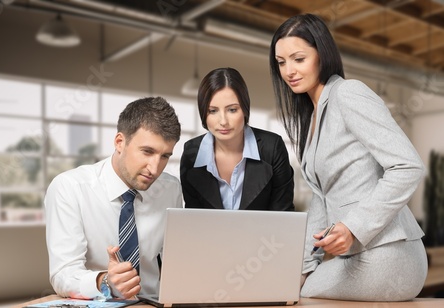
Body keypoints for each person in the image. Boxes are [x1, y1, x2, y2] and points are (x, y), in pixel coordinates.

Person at [269, 14, 427, 301]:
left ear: (322, 55)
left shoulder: (348, 94)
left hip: (390, 255)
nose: (289, 70)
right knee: (290, 286)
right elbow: (321, 198)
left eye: (298, 59)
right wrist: (304, 267)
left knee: (296, 294)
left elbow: (408, 166)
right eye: (281, 62)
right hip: (357, 258)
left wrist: (354, 227)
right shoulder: (313, 116)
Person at [45, 97, 182, 300]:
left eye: (165, 156)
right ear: (120, 142)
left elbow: (177, 262)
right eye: (147, 152)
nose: (155, 168)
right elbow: (62, 274)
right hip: (99, 303)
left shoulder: (170, 189)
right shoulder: (69, 188)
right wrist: (105, 281)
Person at [180, 67, 294, 211]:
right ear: (204, 112)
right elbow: (193, 217)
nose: (223, 121)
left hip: (263, 234)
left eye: (232, 110)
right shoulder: (192, 153)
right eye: (213, 111)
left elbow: (283, 214)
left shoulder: (272, 147)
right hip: (210, 234)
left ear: (245, 110)